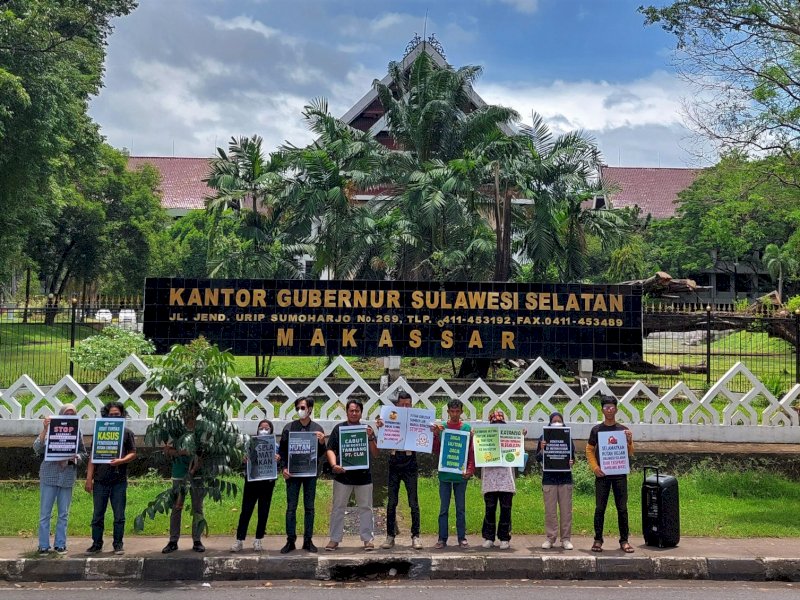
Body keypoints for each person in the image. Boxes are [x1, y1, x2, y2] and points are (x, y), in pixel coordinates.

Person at [325, 399, 380, 551]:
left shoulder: (367, 429)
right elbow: (330, 449)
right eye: (351, 410)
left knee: (366, 508)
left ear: (361, 413)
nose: (354, 413)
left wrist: (370, 437)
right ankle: (334, 539)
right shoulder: (339, 429)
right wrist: (334, 465)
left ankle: (368, 539)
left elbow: (376, 453)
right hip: (343, 477)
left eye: (357, 411)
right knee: (338, 508)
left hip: (364, 477)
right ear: (347, 412)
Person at [33, 403, 87, 555]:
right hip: (49, 475)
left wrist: (74, 458)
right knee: (45, 513)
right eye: (66, 413)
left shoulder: (77, 432)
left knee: (63, 513)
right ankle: (43, 546)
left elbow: (83, 454)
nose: (69, 416)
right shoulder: (50, 429)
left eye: (72, 414)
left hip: (67, 476)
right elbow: (37, 448)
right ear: (60, 414)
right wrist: (44, 428)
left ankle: (60, 544)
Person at [85, 401, 137, 555]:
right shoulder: (99, 432)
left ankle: (118, 544)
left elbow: (133, 453)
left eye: (117, 415)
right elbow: (92, 458)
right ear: (105, 416)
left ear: (122, 416)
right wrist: (89, 478)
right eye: (111, 414)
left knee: (119, 515)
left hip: (118, 481)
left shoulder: (127, 433)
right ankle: (96, 544)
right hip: (100, 480)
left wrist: (121, 461)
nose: (114, 417)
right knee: (97, 515)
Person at [585, 395, 635, 553]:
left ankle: (624, 540)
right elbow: (589, 450)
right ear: (602, 410)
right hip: (602, 475)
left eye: (612, 407)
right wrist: (595, 467)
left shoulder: (622, 430)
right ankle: (598, 540)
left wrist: (629, 441)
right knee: (600, 508)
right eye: (606, 407)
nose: (609, 410)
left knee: (622, 508)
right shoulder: (597, 430)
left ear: (616, 409)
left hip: (619, 475)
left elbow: (629, 453)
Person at [278, 396, 327, 554]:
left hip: (310, 475)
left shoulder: (318, 429)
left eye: (303, 407)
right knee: (291, 508)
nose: (300, 410)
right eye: (298, 407)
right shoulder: (289, 428)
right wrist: (283, 468)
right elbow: (282, 452)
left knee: (309, 508)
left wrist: (321, 443)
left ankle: (308, 540)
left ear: (311, 409)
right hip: (292, 475)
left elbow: (322, 454)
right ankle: (290, 540)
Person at [375, 390, 422, 550]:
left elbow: (425, 437)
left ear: (411, 405)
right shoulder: (389, 417)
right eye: (402, 405)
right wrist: (380, 426)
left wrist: (430, 430)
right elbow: (382, 438)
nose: (405, 407)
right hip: (394, 462)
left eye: (407, 405)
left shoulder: (417, 419)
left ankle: (416, 536)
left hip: (410, 463)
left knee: (413, 502)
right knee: (391, 502)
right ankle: (390, 536)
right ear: (396, 405)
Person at [431, 398, 475, 549]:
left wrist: (470, 469)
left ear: (462, 412)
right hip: (445, 473)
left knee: (460, 508)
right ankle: (442, 538)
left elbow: (471, 452)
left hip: (460, 475)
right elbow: (436, 450)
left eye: (457, 411)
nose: (455, 414)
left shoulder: (467, 428)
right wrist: (436, 435)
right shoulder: (442, 428)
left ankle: (462, 538)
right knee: (443, 508)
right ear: (448, 412)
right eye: (452, 411)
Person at [162, 407, 205, 553]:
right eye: (185, 412)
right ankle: (173, 541)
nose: (188, 415)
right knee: (176, 507)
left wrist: (195, 465)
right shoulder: (176, 431)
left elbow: (206, 452)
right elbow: (167, 451)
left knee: (197, 508)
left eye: (191, 412)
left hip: (198, 475)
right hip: (179, 474)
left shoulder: (202, 431)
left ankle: (197, 540)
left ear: (196, 413)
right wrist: (183, 452)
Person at [230, 419, 278, 553]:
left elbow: (280, 462)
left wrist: (278, 459)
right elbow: (241, 460)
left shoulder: (276, 446)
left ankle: (258, 539)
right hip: (252, 481)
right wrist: (243, 459)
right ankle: (239, 540)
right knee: (246, 510)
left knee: (263, 511)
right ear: (257, 429)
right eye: (261, 428)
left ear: (271, 430)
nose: (263, 430)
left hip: (267, 482)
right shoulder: (249, 444)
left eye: (266, 428)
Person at [535, 411, 575, 550]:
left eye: (559, 421)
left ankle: (566, 539)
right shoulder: (543, 437)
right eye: (554, 421)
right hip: (549, 480)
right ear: (550, 422)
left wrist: (571, 461)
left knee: (566, 511)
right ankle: (550, 538)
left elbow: (572, 457)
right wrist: (542, 449)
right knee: (550, 512)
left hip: (565, 479)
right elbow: (538, 458)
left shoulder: (568, 437)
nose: (557, 423)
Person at [480, 410, 517, 550]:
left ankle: (504, 537)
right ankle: (489, 537)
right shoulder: (485, 437)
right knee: (490, 509)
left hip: (506, 479)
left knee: (506, 509)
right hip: (490, 478)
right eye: (495, 423)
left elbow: (518, 453)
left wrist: (520, 437)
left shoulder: (509, 438)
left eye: (500, 423)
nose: (498, 426)